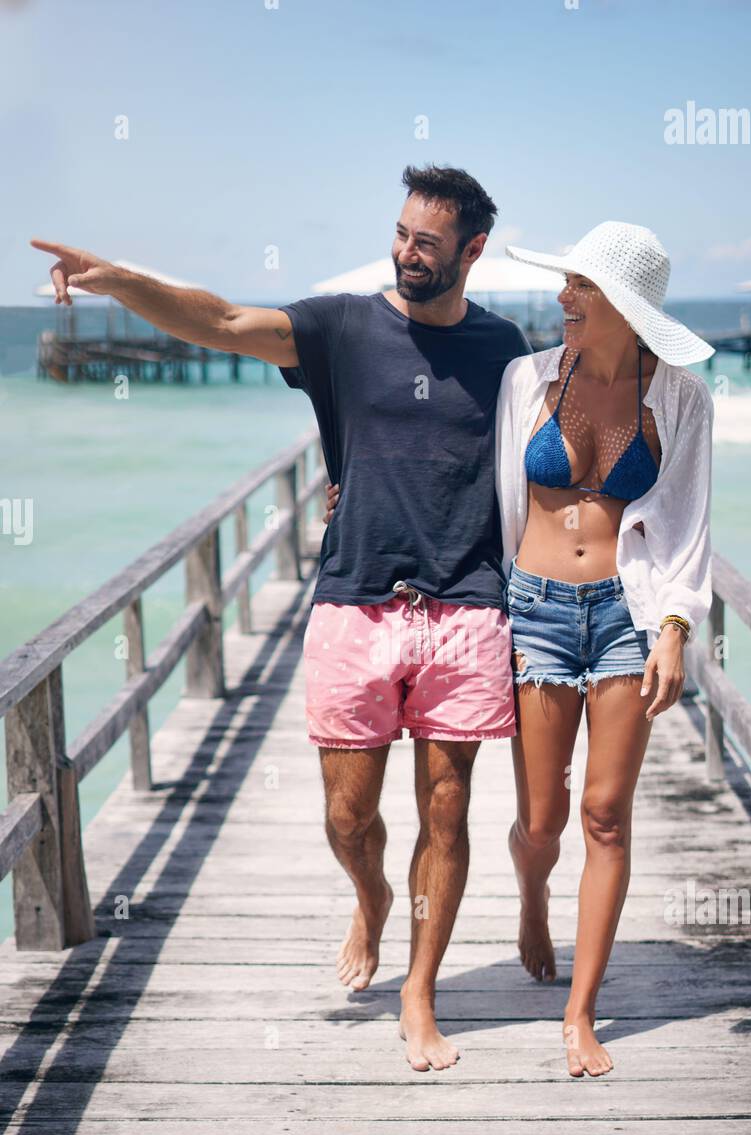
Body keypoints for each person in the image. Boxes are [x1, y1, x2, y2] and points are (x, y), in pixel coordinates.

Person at [32, 165, 531, 1073]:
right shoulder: (341, 326)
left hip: (466, 603)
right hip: (355, 598)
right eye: (401, 233)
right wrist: (119, 279)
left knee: (448, 813)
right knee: (348, 817)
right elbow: (220, 322)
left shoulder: (507, 349)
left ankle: (420, 992)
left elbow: (549, 457)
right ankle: (371, 896)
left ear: (472, 250)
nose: (407, 251)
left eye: (427, 240)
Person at [495, 221, 715, 1078]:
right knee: (543, 819)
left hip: (626, 615)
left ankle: (580, 1013)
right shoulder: (528, 379)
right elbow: (465, 479)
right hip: (535, 609)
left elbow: (688, 525)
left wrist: (674, 628)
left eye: (579, 288)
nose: (562, 299)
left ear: (622, 307)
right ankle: (531, 895)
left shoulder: (683, 400)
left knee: (604, 816)